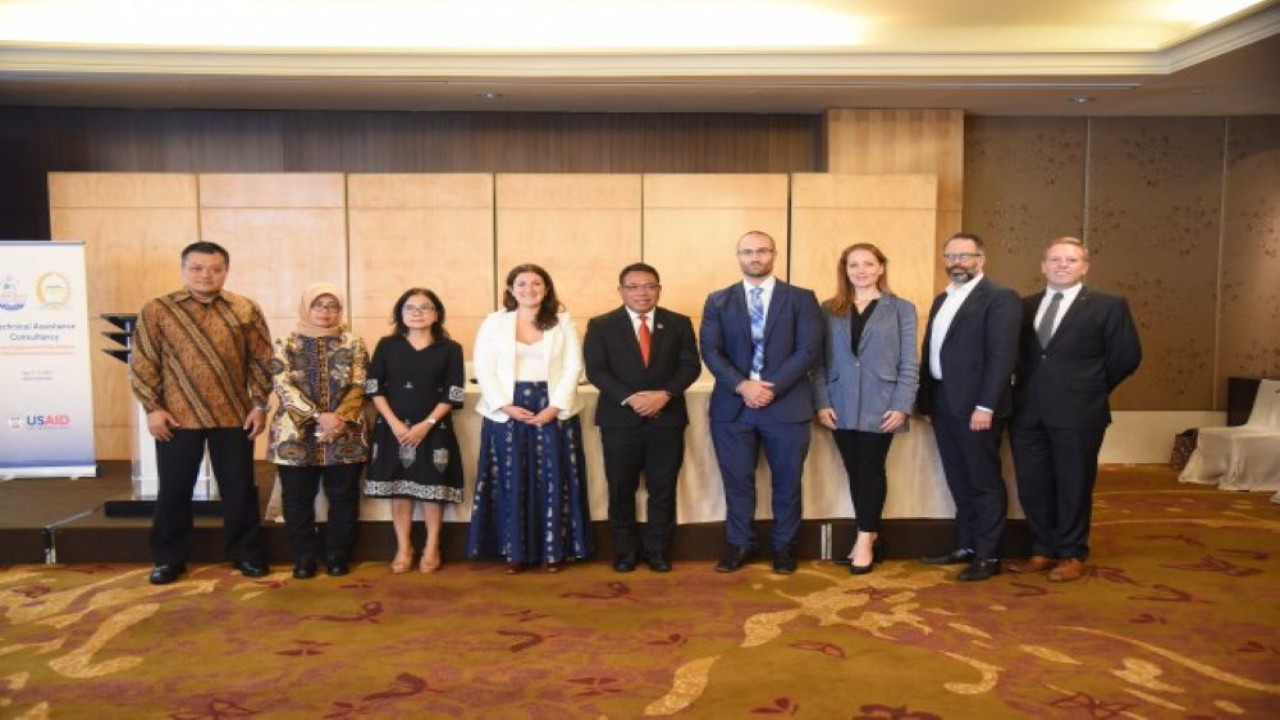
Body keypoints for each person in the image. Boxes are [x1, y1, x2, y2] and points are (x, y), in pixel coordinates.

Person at [129, 240, 273, 585]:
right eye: (197, 268)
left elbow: (263, 360)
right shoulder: (158, 310)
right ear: (183, 270)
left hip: (234, 415)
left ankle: (246, 554)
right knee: (174, 490)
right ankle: (168, 559)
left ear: (226, 270)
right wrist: (153, 408)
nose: (206, 275)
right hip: (178, 416)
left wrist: (259, 405)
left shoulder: (245, 308)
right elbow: (144, 362)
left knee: (239, 489)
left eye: (215, 268)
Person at [1008, 237, 1141, 582]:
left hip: (1080, 411)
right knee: (1032, 484)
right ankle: (1042, 549)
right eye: (1055, 259)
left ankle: (1071, 553)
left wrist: (1091, 387)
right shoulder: (1024, 306)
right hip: (1028, 411)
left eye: (1070, 260)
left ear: (1085, 266)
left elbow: (1126, 356)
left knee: (1073, 483)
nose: (1062, 265)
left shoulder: (1108, 305)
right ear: (1043, 265)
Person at [701, 230, 823, 574]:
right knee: (737, 481)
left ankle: (784, 547)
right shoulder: (718, 300)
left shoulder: (801, 298)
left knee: (787, 481)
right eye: (748, 252)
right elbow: (711, 350)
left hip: (786, 406)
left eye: (762, 251)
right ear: (738, 256)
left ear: (775, 254)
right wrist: (743, 386)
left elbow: (809, 349)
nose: (755, 257)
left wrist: (770, 387)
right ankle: (740, 544)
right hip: (733, 408)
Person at [467, 264, 592, 573]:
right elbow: (483, 368)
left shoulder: (563, 322)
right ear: (510, 289)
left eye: (536, 283)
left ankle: (553, 552)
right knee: (511, 478)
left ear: (546, 288)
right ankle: (514, 552)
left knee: (554, 477)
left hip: (554, 408)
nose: (529, 289)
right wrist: (505, 405)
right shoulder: (494, 322)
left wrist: (555, 406)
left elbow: (573, 367)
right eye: (521, 284)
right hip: (507, 409)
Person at [917, 232, 1022, 582]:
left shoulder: (1000, 297)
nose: (956, 262)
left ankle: (989, 556)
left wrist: (986, 406)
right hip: (944, 402)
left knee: (983, 481)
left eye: (964, 255)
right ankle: (967, 545)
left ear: (982, 259)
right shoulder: (941, 298)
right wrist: (928, 400)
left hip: (978, 407)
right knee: (958, 479)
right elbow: (933, 351)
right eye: (950, 256)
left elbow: (1001, 356)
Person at [583, 262, 701, 573]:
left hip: (667, 418)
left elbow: (690, 367)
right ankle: (625, 552)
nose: (642, 293)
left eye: (649, 286)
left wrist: (665, 394)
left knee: (662, 488)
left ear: (659, 290)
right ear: (620, 291)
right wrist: (631, 398)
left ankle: (658, 551)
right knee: (621, 488)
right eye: (633, 287)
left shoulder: (678, 323)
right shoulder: (601, 325)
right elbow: (596, 370)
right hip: (620, 421)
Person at [811, 243, 919, 575]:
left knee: (871, 469)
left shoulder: (901, 309)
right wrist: (823, 401)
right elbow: (818, 362)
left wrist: (902, 405)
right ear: (845, 270)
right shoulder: (829, 309)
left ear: (881, 267)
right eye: (853, 264)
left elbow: (909, 363)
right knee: (855, 471)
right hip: (840, 404)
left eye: (868, 264)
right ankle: (872, 534)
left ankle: (864, 540)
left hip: (882, 404)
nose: (861, 270)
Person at [267, 283, 370, 580]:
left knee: (344, 497)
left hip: (345, 432)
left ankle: (338, 555)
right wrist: (317, 416)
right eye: (318, 305)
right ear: (306, 308)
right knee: (297, 498)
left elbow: (361, 383)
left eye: (332, 306)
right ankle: (304, 557)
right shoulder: (285, 342)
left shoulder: (353, 343)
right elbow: (282, 384)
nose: (325, 312)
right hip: (295, 434)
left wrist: (338, 418)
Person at [364, 288, 466, 574]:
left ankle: (432, 546)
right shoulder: (387, 345)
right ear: (400, 313)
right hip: (392, 429)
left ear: (436, 314)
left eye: (425, 307)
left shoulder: (450, 348)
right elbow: (374, 387)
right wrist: (396, 424)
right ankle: (403, 546)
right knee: (401, 489)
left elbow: (454, 391)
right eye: (411, 307)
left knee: (433, 491)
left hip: (435, 428)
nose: (418, 312)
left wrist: (426, 424)